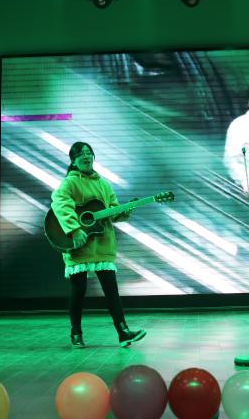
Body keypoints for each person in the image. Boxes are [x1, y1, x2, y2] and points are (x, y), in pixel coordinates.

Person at [50, 142, 146, 348]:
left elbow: (112, 210)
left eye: (89, 153)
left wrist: (124, 211)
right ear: (73, 161)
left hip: (102, 243)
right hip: (79, 244)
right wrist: (74, 229)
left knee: (111, 290)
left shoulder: (104, 184)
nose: (86, 156)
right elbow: (59, 202)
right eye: (81, 154)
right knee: (79, 290)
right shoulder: (70, 182)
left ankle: (123, 332)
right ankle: (76, 333)